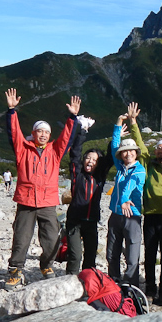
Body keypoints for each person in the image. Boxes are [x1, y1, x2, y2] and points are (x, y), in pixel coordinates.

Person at [4, 88, 79, 289]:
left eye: (46, 132)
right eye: (40, 131)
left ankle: (46, 266)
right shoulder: (23, 149)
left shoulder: (55, 151)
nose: (43, 134)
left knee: (52, 239)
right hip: (26, 200)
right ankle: (15, 271)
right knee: (21, 238)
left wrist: (73, 116)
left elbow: (67, 137)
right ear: (34, 133)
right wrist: (12, 111)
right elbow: (14, 133)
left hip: (47, 201)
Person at [126, 102, 162, 305]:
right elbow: (141, 146)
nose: (160, 150)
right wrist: (133, 123)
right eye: (158, 148)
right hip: (151, 215)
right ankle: (150, 290)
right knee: (150, 255)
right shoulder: (148, 165)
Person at [65, 116, 114, 276]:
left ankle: (87, 282)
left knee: (91, 256)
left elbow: (110, 158)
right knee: (75, 255)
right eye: (88, 157)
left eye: (94, 159)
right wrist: (83, 131)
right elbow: (75, 153)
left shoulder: (99, 178)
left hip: (92, 221)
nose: (90, 161)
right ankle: (70, 282)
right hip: (74, 221)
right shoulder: (77, 175)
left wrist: (116, 134)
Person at [106, 113, 146, 287]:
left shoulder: (139, 170)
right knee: (111, 254)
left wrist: (123, 199)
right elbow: (115, 145)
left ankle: (131, 288)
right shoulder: (120, 166)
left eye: (131, 151)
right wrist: (119, 122)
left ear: (136, 153)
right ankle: (114, 284)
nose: (128, 154)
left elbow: (131, 185)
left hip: (132, 215)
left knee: (132, 256)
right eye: (125, 152)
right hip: (116, 214)